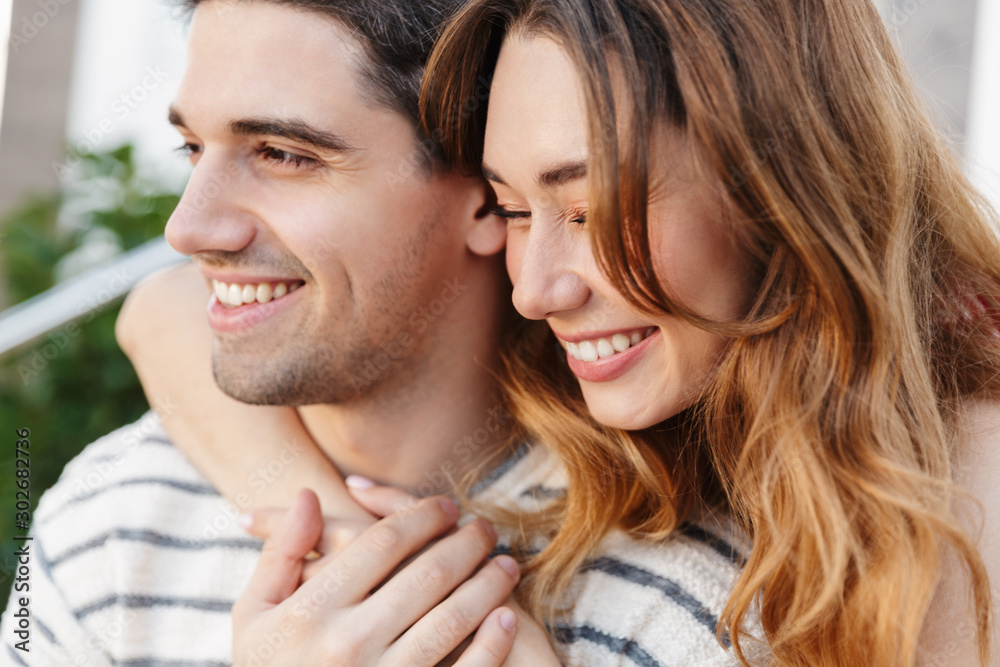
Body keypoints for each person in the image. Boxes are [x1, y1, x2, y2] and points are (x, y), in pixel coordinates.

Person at [121, 0, 1000, 665]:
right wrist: (355, 556)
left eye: (590, 208)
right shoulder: (627, 417)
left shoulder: (964, 473)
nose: (534, 288)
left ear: (780, 185)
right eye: (511, 207)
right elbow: (157, 316)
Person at [1, 0, 749, 665]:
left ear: (491, 199)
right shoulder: (109, 520)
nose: (188, 228)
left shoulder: (696, 599)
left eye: (283, 155)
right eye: (193, 149)